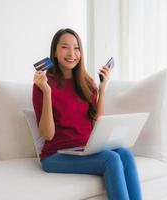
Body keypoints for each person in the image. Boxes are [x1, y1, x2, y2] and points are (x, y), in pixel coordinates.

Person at [32, 28, 142, 200]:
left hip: (86, 149)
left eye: (76, 48)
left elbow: (98, 125)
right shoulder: (44, 85)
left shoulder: (87, 83)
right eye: (65, 47)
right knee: (110, 159)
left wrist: (102, 90)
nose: (72, 53)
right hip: (56, 155)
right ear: (54, 52)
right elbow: (48, 134)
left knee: (125, 154)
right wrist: (47, 92)